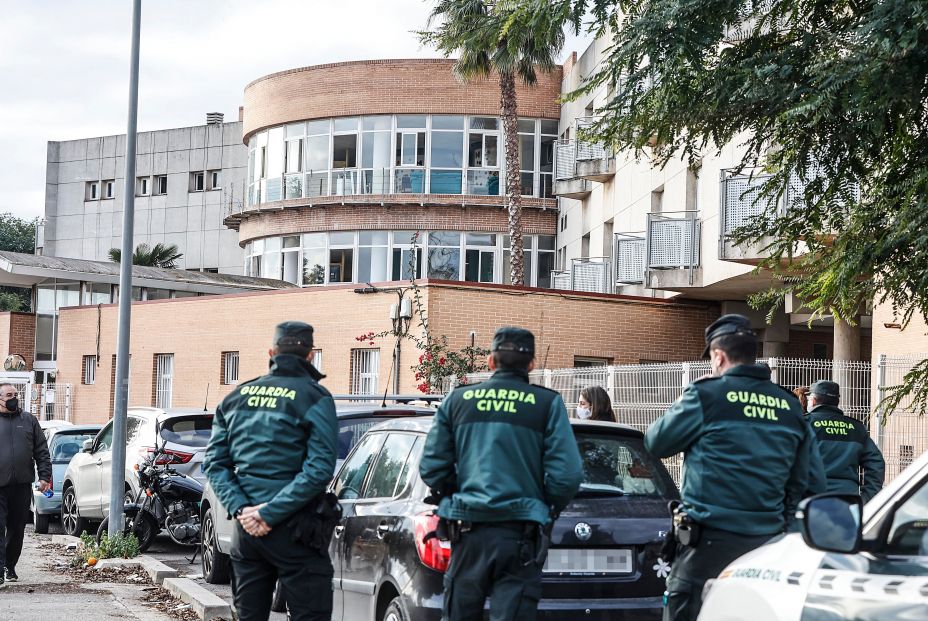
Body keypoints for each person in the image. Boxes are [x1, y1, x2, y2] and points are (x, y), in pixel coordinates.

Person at [644, 315, 825, 621]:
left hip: (707, 548)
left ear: (718, 356)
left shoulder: (706, 395)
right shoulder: (789, 406)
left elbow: (656, 443)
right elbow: (812, 482)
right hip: (767, 547)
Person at [420, 327, 584, 621]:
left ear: (491, 362)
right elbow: (567, 476)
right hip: (520, 536)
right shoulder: (546, 404)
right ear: (531, 365)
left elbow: (432, 467)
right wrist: (544, 506)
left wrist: (459, 492)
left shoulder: (458, 401)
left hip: (468, 533)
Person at [204, 322, 338, 621]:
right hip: (296, 529)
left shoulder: (236, 397)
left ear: (271, 352)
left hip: (247, 531)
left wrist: (243, 510)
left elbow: (214, 464)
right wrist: (270, 513)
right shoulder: (315, 396)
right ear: (311, 355)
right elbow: (319, 469)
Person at [0, 383, 51, 587]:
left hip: (21, 484)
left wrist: (44, 477)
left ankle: (9, 565)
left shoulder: (29, 420)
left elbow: (41, 450)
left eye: (16, 394)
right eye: (9, 395)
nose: (14, 398)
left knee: (17, 527)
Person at [806, 380, 885, 503]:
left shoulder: (804, 424)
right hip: (848, 500)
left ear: (813, 400)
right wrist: (867, 498)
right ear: (837, 402)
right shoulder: (857, 428)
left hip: (811, 500)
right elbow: (876, 463)